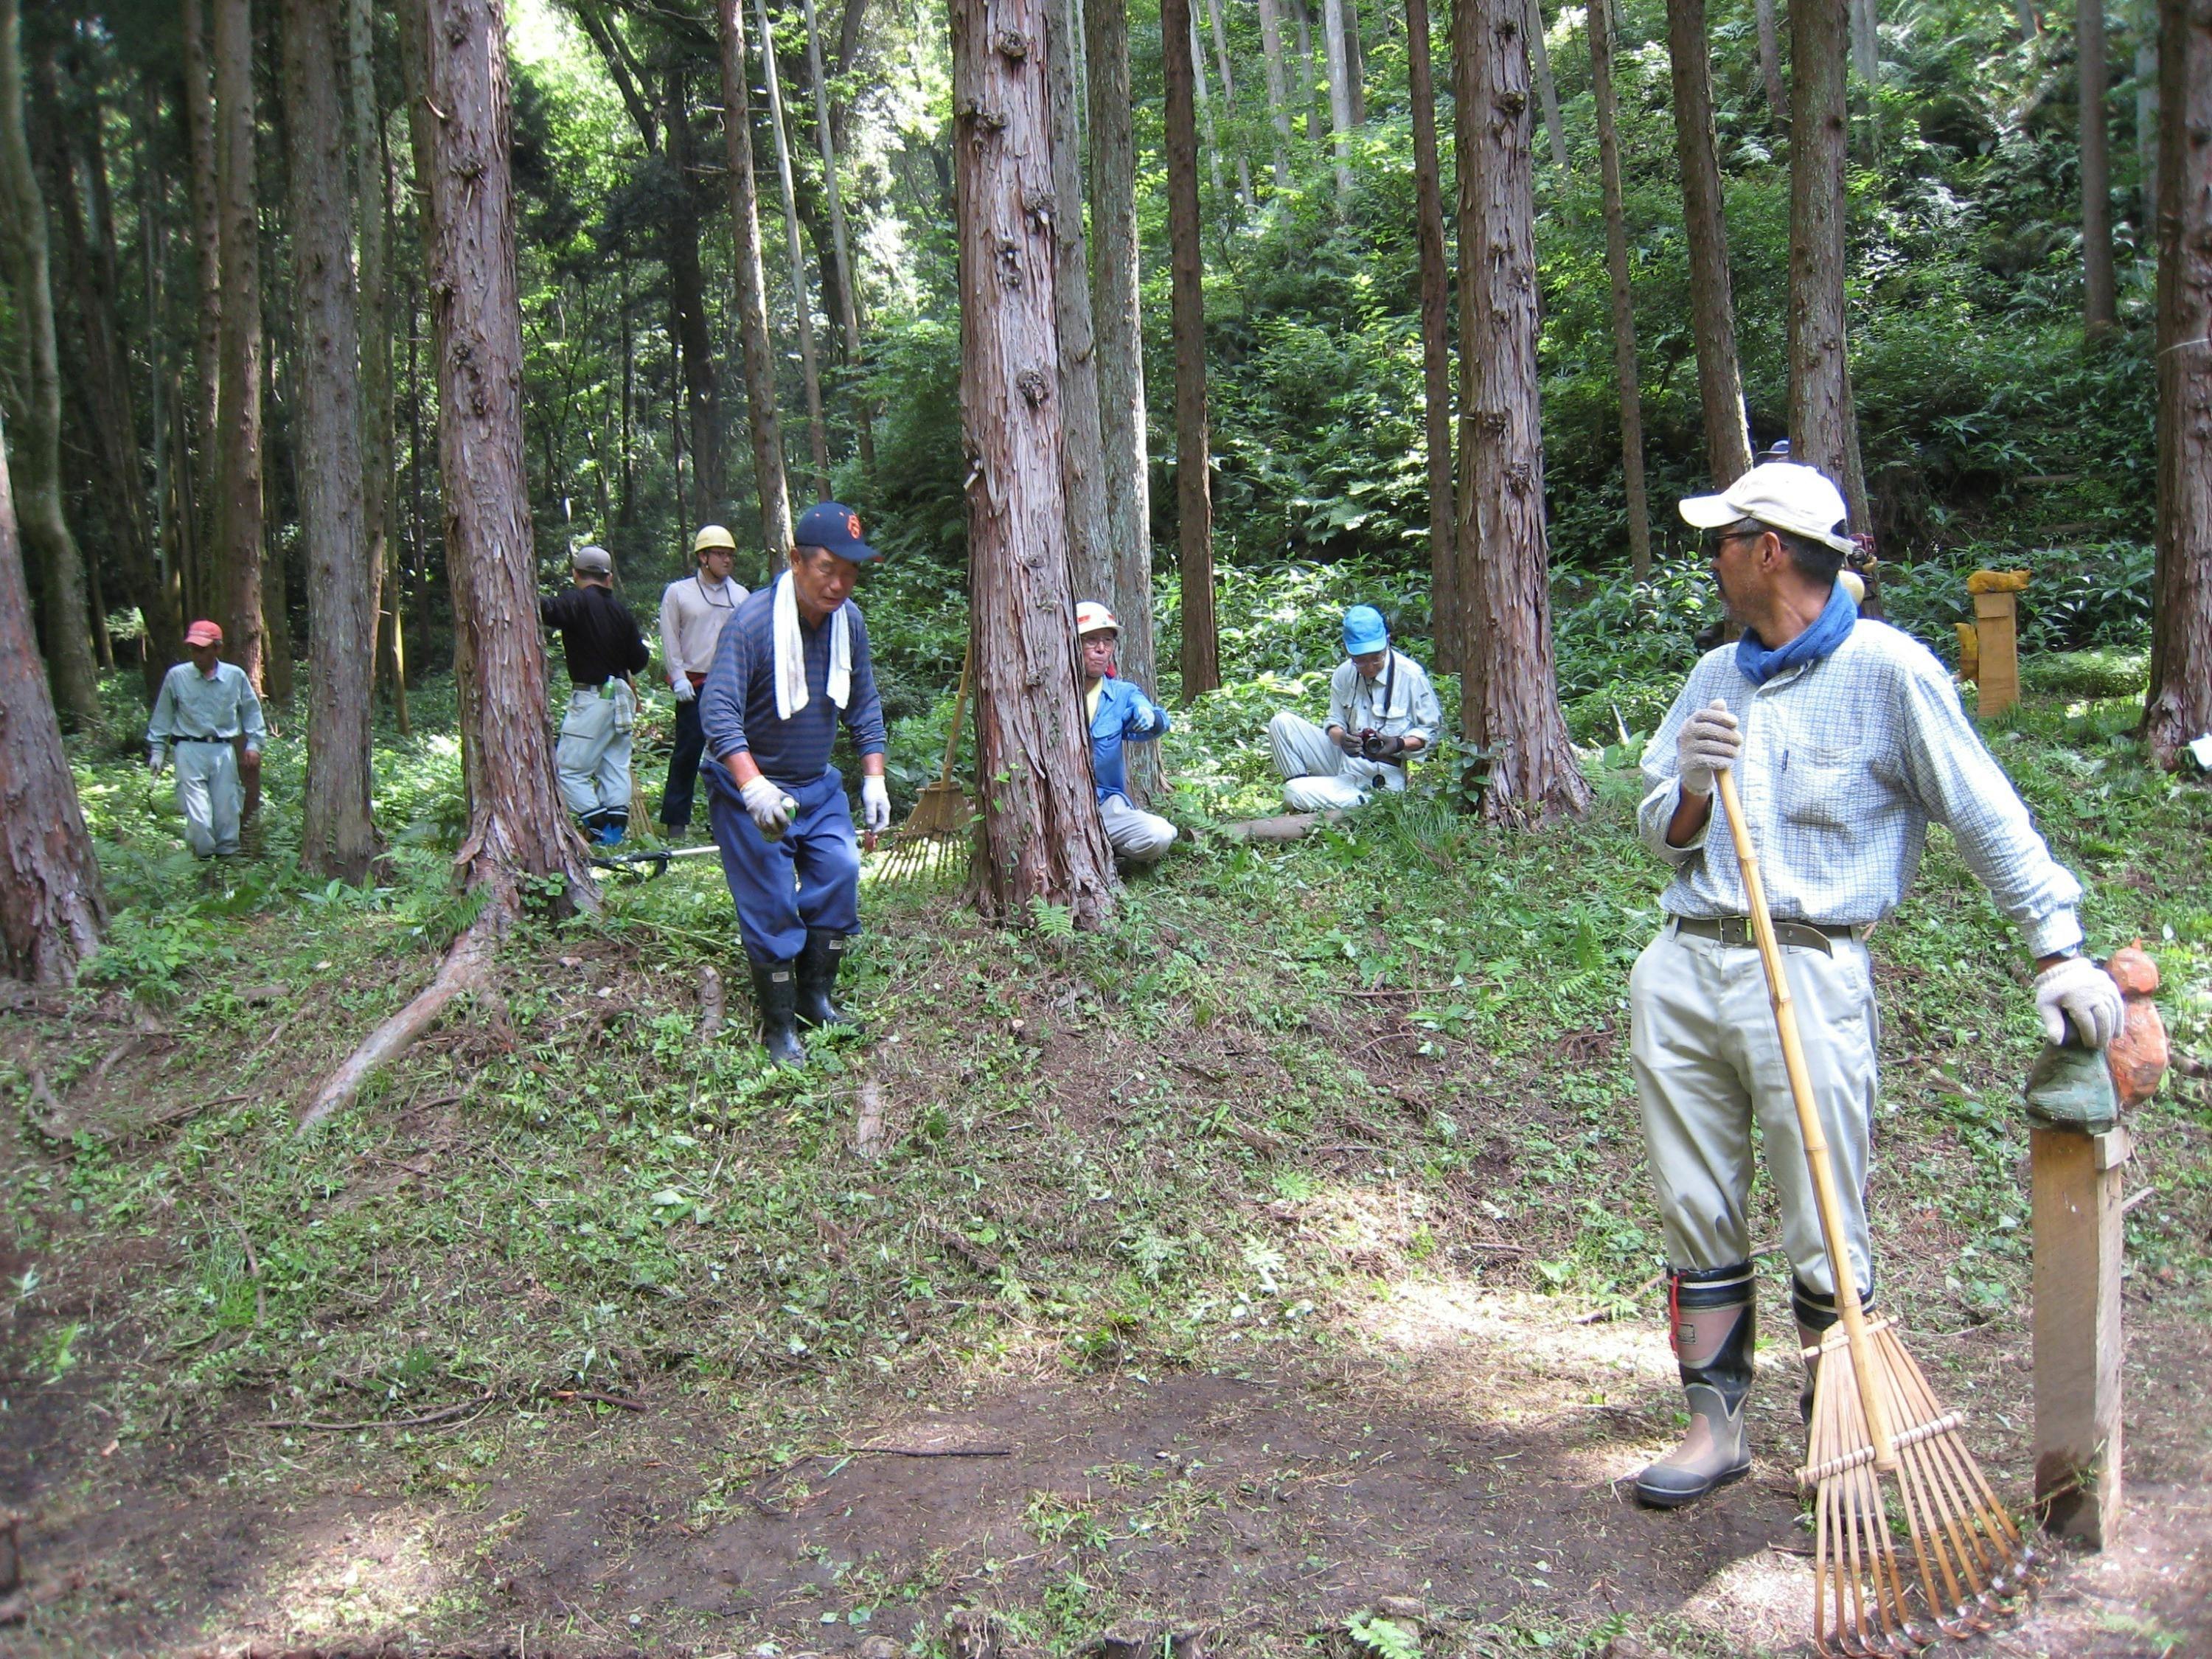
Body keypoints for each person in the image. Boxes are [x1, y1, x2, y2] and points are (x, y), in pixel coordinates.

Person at [1627, 459, 2124, 1509]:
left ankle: (1839, 1448)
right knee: (1695, 1203)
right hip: (1686, 960)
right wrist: (1693, 791)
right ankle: (1713, 1429)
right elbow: (1659, 833)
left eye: (1723, 538)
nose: (1710, 555)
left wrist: (2057, 943)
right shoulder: (1715, 674)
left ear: (1769, 551)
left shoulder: (1889, 672)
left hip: (1808, 965)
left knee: (1821, 1217)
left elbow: (1984, 813)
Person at [700, 501, 891, 1066]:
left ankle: (816, 998)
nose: (839, 584)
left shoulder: (847, 620)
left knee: (840, 871)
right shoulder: (754, 622)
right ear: (796, 562)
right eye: (827, 569)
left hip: (816, 783)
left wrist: (873, 779)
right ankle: (778, 1026)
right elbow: (718, 712)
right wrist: (752, 786)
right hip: (751, 787)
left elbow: (864, 702)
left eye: (851, 572)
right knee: (772, 899)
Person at [1267, 605, 1441, 810]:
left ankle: (1363, 804)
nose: (1369, 667)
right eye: (1360, 660)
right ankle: (1306, 801)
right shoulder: (1344, 674)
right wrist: (1341, 738)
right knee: (1282, 723)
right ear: (1347, 650)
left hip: (1382, 775)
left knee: (1294, 791)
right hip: (1345, 760)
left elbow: (1432, 733)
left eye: (1376, 657)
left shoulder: (1411, 676)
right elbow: (1334, 722)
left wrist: (1398, 744)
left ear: (1387, 641)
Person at [540, 544, 652, 846]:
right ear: (609, 578)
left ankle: (599, 830)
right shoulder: (621, 612)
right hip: (622, 699)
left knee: (567, 772)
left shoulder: (576, 602)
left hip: (593, 699)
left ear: (576, 574)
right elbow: (639, 660)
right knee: (614, 766)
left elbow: (546, 609)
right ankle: (614, 840)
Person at [146, 619, 266, 859]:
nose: (197, 655)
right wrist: (157, 752)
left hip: (222, 751)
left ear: (217, 649)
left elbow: (252, 712)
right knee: (198, 817)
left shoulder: (235, 676)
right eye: (193, 649)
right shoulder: (177, 677)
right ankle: (203, 863)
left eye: (202, 649)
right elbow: (163, 716)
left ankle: (226, 868)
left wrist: (254, 744)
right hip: (188, 750)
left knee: (227, 813)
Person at [658, 524, 748, 835]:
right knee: (687, 752)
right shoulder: (679, 593)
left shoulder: (741, 596)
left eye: (730, 555)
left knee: (731, 751)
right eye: (720, 554)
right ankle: (676, 822)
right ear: (704, 558)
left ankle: (728, 818)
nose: (727, 560)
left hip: (731, 683)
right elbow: (670, 637)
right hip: (694, 685)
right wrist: (678, 676)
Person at [1076, 601, 1176, 867]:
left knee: (1160, 834)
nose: (1100, 649)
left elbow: (1158, 720)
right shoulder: (1049, 689)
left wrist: (1148, 715)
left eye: (1107, 641)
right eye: (1091, 640)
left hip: (1104, 806)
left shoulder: (1122, 693)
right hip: (1051, 807)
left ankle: (1107, 855)